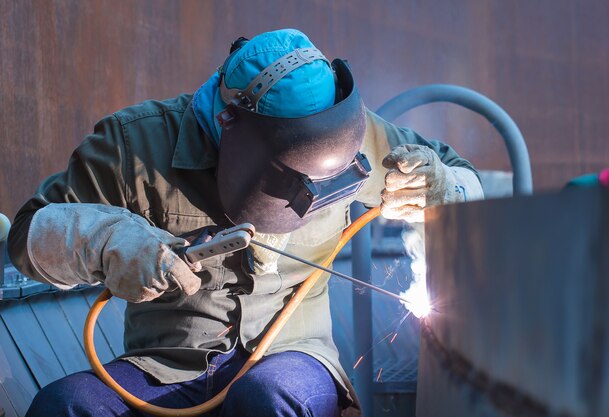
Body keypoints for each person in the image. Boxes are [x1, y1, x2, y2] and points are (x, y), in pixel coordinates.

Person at [8, 29, 483, 417]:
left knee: (268, 400)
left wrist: (442, 187)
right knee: (66, 406)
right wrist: (106, 239)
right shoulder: (136, 146)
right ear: (226, 120)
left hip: (292, 358)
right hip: (167, 366)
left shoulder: (354, 134)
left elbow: (465, 182)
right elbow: (27, 237)